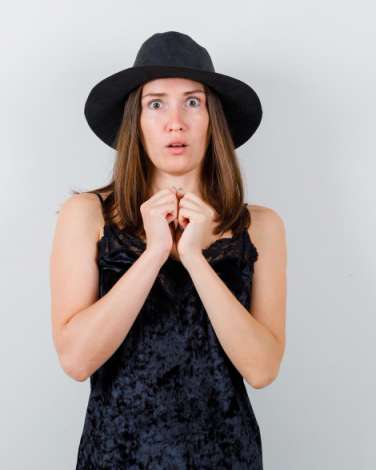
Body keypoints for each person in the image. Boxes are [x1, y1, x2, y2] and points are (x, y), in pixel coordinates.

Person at [49, 31, 287, 468]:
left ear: (213, 120)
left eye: (192, 102)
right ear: (136, 121)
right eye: (156, 104)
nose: (175, 122)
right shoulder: (87, 215)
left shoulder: (261, 227)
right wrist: (155, 251)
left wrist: (195, 258)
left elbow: (262, 369)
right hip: (116, 457)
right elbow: (77, 359)